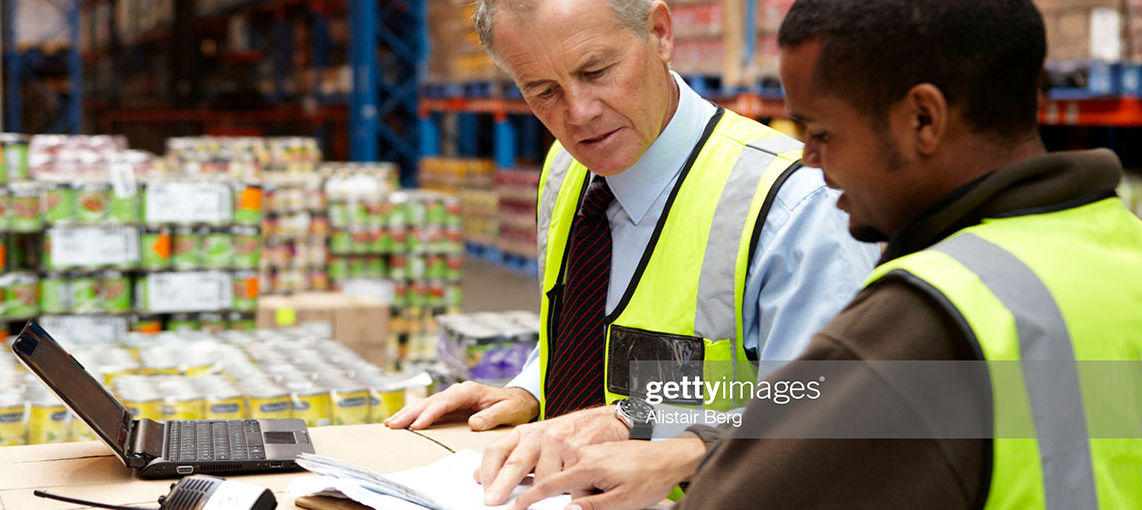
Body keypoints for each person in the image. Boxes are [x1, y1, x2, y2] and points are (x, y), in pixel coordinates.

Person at [510, 0, 1142, 509]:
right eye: (541, 91)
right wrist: (616, 412)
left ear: (924, 119)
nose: (809, 158)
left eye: (822, 132)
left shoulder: (920, 314)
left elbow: (798, 414)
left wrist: (676, 444)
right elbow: (799, 386)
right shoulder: (1114, 248)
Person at [385, 0, 878, 504]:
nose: (579, 113)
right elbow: (630, 342)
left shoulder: (795, 206)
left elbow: (830, 405)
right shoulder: (568, 168)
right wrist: (532, 390)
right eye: (543, 91)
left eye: (596, 71)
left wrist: (662, 440)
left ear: (660, 33)